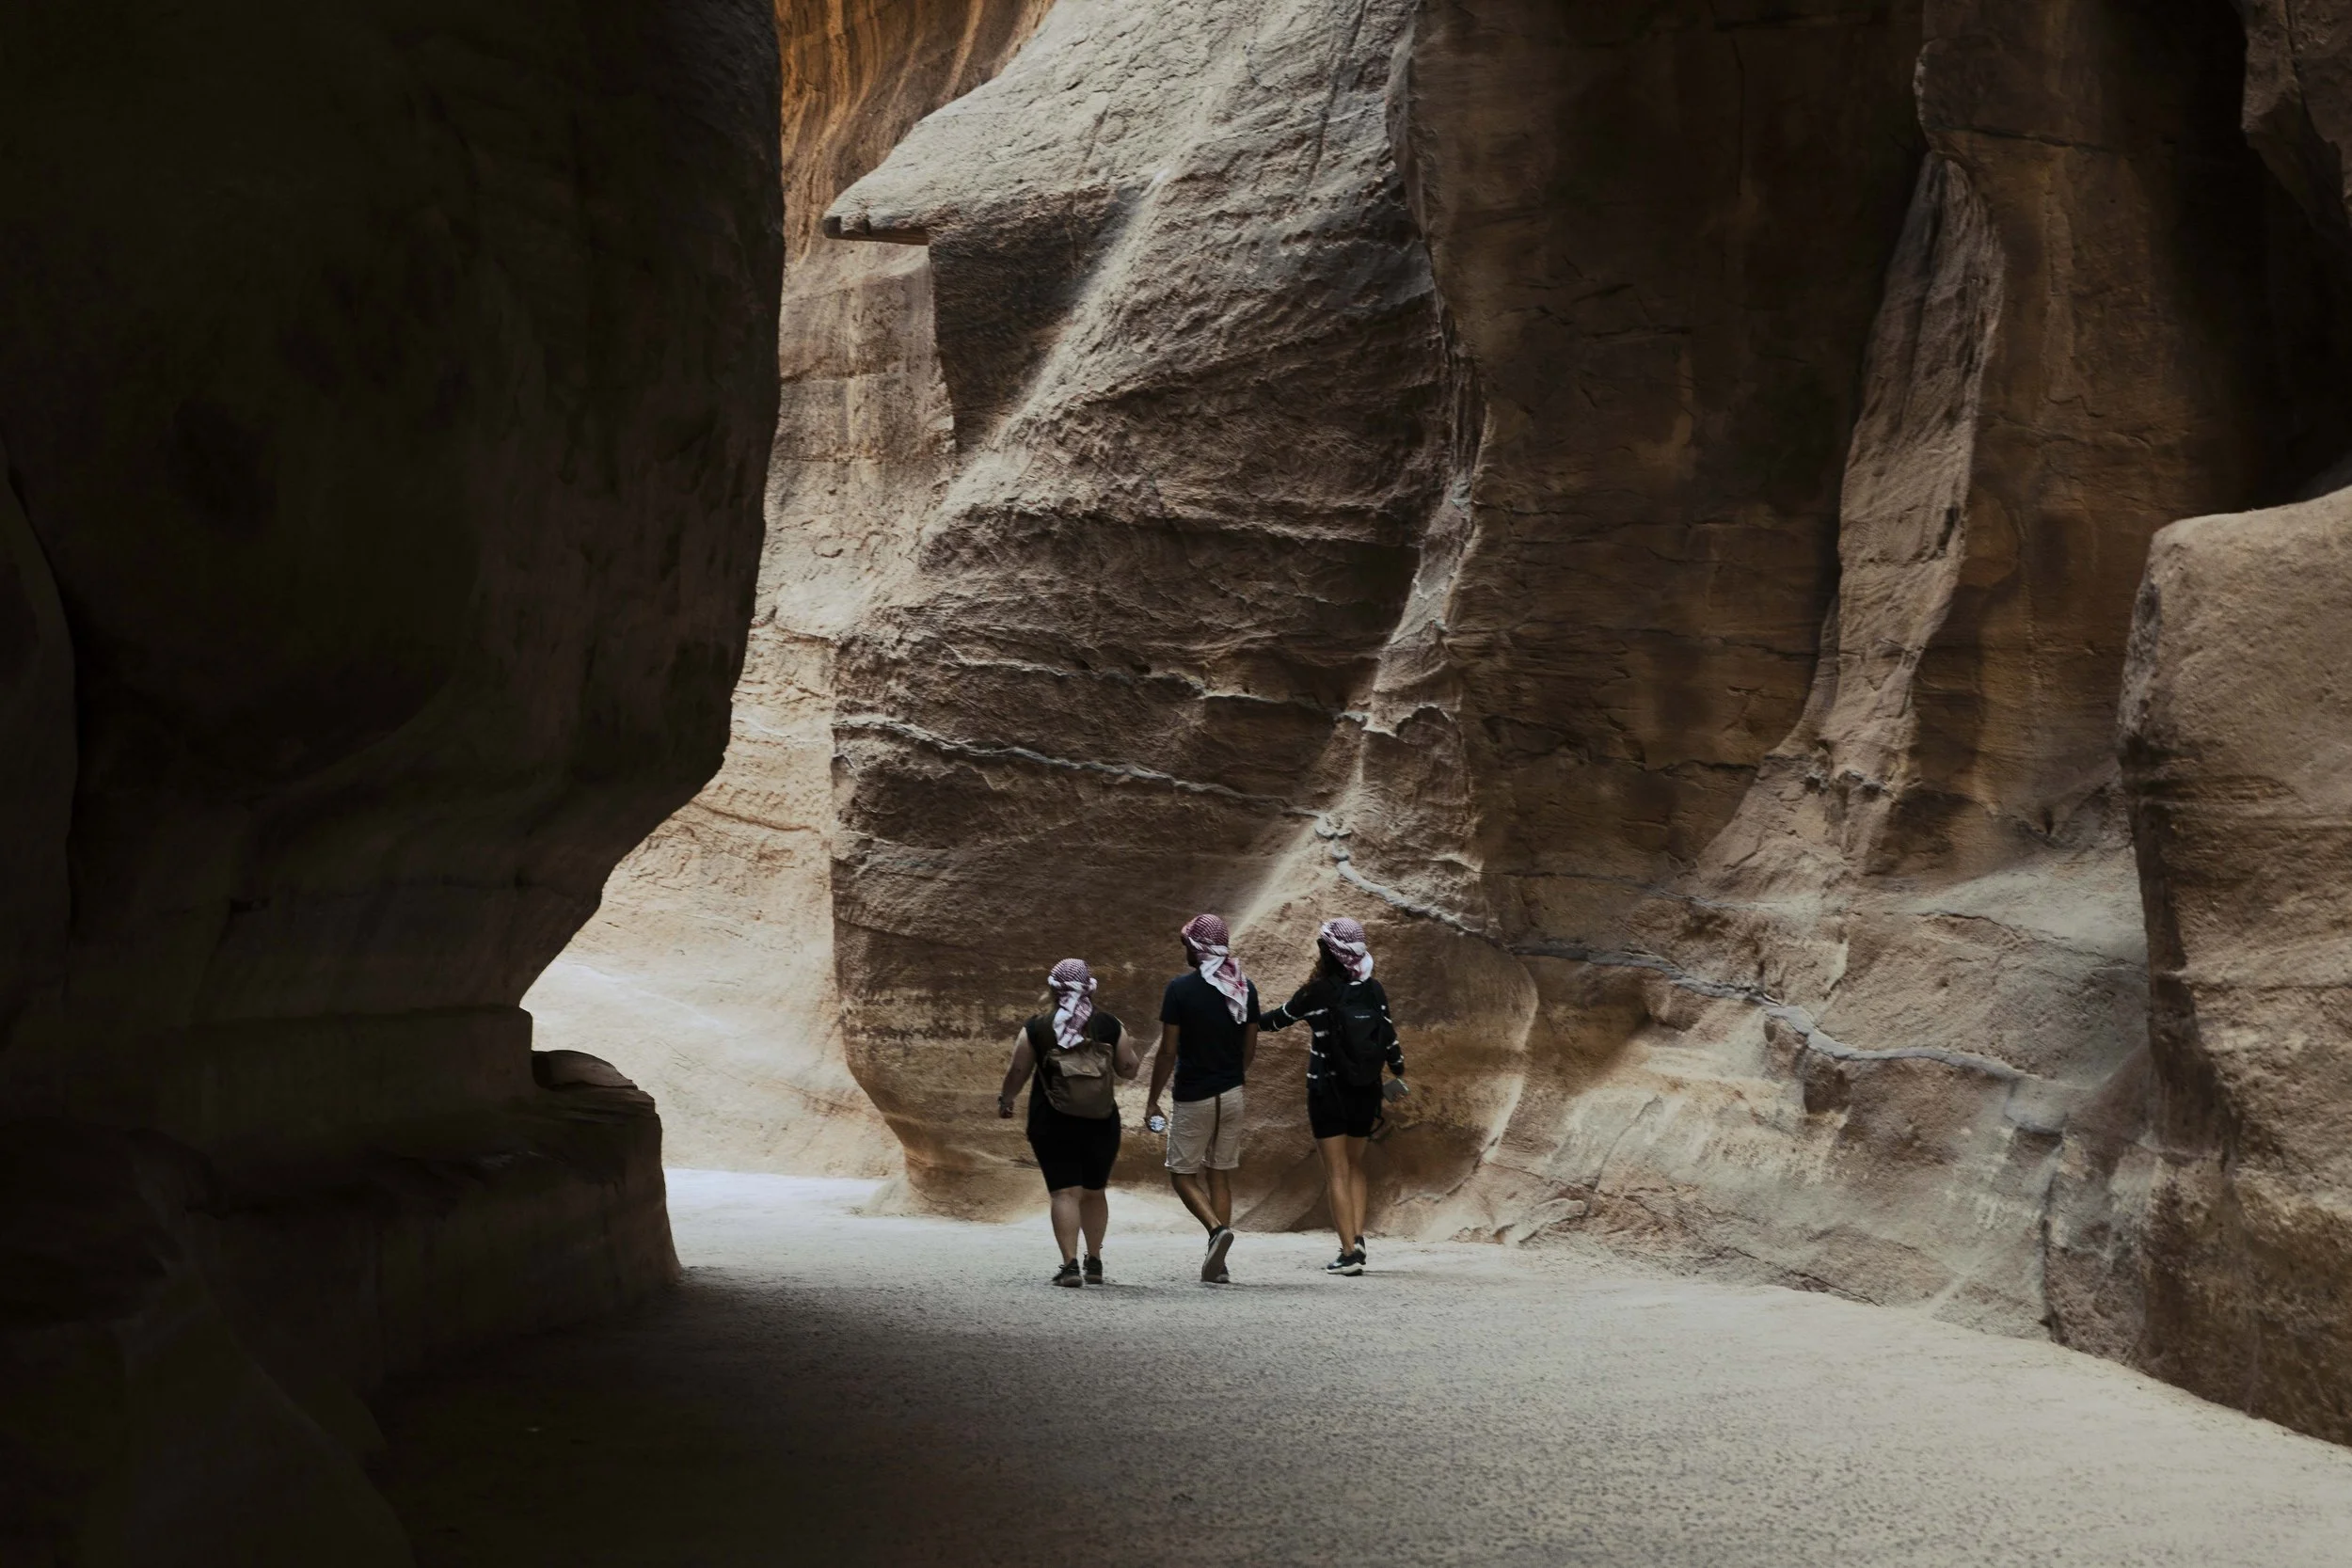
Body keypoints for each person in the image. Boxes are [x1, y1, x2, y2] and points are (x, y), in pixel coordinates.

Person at [1260, 917, 1406, 1275]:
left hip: (1328, 1091)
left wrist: (1242, 1017)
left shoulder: (1318, 991)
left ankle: (1348, 1252)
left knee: (1336, 1171)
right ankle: (1357, 1237)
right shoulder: (1374, 990)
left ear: (1328, 952)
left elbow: (1277, 1020)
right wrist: (1398, 1072)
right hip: (1366, 1091)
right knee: (1356, 1166)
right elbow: (1389, 1040)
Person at [998, 958, 1139, 1286]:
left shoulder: (1037, 1027)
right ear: (1090, 987)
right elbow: (1128, 1068)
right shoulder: (1109, 1024)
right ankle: (1095, 1261)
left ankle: (1070, 1265)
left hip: (1052, 1120)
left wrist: (1006, 1100)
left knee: (1065, 1192)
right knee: (1094, 1192)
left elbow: (1017, 1072)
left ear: (1051, 989)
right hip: (1102, 1121)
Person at [1144, 913, 1259, 1283]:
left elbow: (1168, 1051)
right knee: (1219, 1175)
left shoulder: (1180, 990)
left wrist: (1152, 1099)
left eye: (1187, 946)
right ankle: (1218, 1264)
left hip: (1195, 1094)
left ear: (1197, 949)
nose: (1185, 952)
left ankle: (1215, 1231)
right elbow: (1250, 1047)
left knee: (1181, 1173)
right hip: (1232, 1093)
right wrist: (1232, 1075)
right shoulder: (1245, 988)